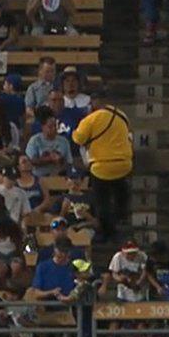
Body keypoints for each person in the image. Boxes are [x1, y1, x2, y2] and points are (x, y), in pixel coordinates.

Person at [70, 97, 134, 247]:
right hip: (124, 164)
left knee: (102, 202)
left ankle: (108, 232)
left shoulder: (91, 118)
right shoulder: (121, 115)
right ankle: (121, 219)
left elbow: (78, 139)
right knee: (121, 194)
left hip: (102, 166)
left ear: (93, 104)